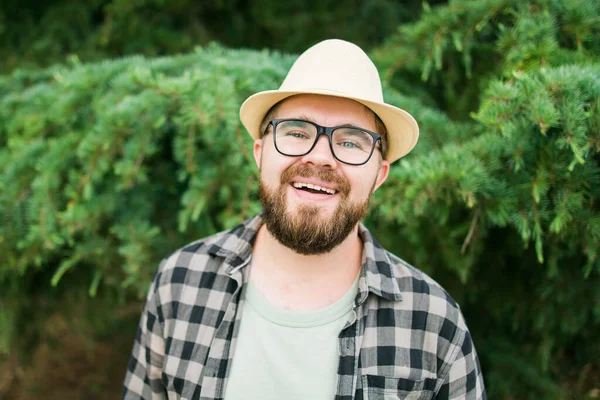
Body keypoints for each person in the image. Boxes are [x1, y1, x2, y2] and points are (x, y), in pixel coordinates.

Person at [123, 39, 486, 400]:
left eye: (350, 142)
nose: (320, 157)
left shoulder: (434, 322)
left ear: (379, 174)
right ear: (260, 153)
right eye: (297, 133)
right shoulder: (179, 282)